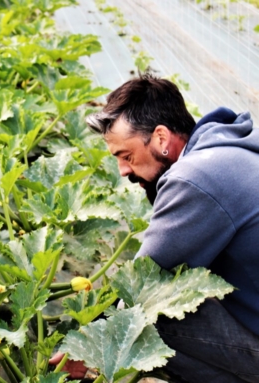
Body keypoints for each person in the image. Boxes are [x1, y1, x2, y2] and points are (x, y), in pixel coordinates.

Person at [50, 74, 259, 382]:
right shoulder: (229, 148)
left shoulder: (195, 178)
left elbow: (142, 282)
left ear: (161, 138)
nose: (122, 170)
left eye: (127, 156)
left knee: (150, 317)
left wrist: (86, 348)